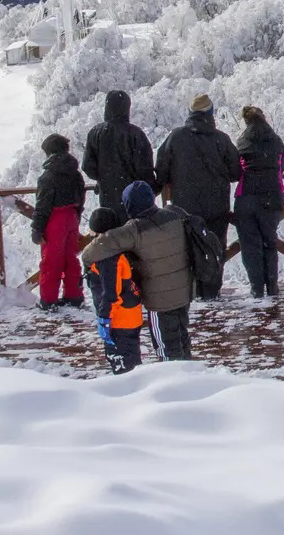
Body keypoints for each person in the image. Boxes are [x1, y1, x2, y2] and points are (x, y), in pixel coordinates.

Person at [82, 181, 197, 361]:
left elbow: (94, 251)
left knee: (166, 348)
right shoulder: (173, 216)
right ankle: (191, 375)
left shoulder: (133, 230)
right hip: (184, 292)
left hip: (160, 301)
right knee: (182, 338)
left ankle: (176, 382)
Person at [155, 93, 238, 298]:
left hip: (185, 206)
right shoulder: (221, 139)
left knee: (187, 248)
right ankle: (211, 291)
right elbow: (236, 172)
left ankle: (191, 291)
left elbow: (162, 169)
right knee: (215, 247)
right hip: (217, 205)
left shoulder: (176, 137)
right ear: (210, 113)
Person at [81, 207, 145, 374]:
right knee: (131, 359)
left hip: (120, 319)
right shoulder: (119, 249)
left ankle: (130, 394)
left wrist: (104, 317)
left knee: (122, 363)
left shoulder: (106, 257)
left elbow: (111, 293)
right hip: (130, 314)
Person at [233, 105, 284, 299]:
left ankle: (256, 288)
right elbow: (281, 168)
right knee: (270, 242)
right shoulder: (276, 141)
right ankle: (272, 286)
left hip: (246, 197)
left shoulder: (242, 142)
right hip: (272, 197)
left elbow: (235, 171)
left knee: (250, 245)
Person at [30, 133, 87, 309]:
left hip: (55, 219)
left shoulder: (48, 177)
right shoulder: (75, 174)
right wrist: (76, 214)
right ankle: (74, 296)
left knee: (51, 262)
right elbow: (81, 196)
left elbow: (42, 205)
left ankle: (48, 300)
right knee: (71, 259)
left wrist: (37, 229)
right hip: (72, 216)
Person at [83, 90, 154, 213]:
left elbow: (87, 166)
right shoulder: (136, 134)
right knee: (134, 230)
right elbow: (145, 168)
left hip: (107, 197)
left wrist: (104, 178)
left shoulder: (95, 133)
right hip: (134, 199)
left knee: (111, 229)